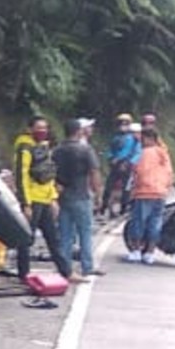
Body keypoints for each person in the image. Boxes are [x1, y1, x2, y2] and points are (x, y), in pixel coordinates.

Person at [13, 115, 69, 280]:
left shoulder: (44, 147)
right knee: (26, 239)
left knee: (53, 237)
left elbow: (48, 175)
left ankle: (66, 271)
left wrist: (53, 198)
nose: (42, 131)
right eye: (38, 128)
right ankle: (24, 274)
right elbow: (21, 176)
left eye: (45, 128)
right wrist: (26, 203)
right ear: (29, 129)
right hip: (32, 200)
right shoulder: (25, 148)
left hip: (45, 199)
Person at [53, 118, 103, 282]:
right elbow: (94, 172)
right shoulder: (85, 150)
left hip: (62, 196)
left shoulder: (57, 151)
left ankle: (65, 268)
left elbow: (51, 172)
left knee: (65, 234)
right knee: (85, 232)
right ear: (79, 131)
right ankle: (87, 266)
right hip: (81, 195)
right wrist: (98, 194)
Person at [125, 127, 174, 265]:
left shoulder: (146, 153)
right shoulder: (164, 153)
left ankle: (135, 251)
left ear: (148, 138)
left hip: (144, 192)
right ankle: (150, 253)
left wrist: (133, 187)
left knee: (139, 221)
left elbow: (140, 171)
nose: (141, 141)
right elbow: (169, 173)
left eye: (142, 139)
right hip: (161, 193)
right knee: (155, 223)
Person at [99, 113, 141, 217]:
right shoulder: (115, 138)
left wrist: (128, 163)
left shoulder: (134, 139)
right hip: (115, 164)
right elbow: (110, 150)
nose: (123, 125)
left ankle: (124, 208)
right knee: (108, 187)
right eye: (121, 123)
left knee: (126, 189)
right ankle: (104, 207)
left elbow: (137, 153)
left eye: (126, 123)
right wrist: (111, 158)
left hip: (127, 165)